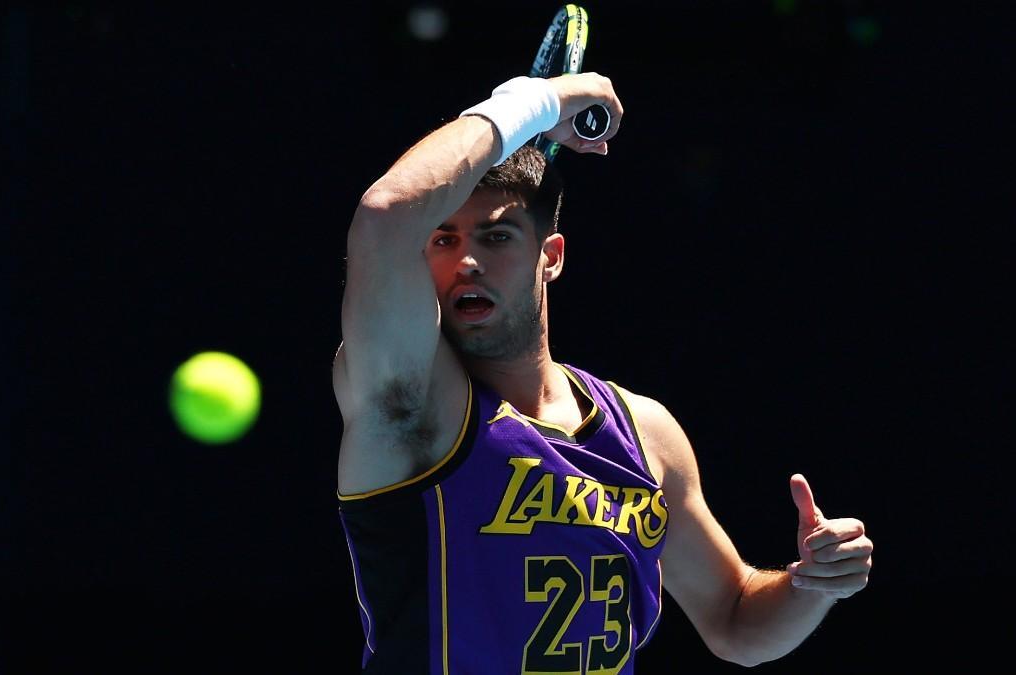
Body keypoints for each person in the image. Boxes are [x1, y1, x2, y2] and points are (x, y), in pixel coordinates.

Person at [332, 71, 874, 673]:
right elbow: (385, 216)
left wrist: (813, 584)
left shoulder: (646, 433)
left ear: (551, 257)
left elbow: (736, 621)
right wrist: (534, 104)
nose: (467, 260)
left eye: (497, 235)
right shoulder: (412, 404)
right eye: (443, 239)